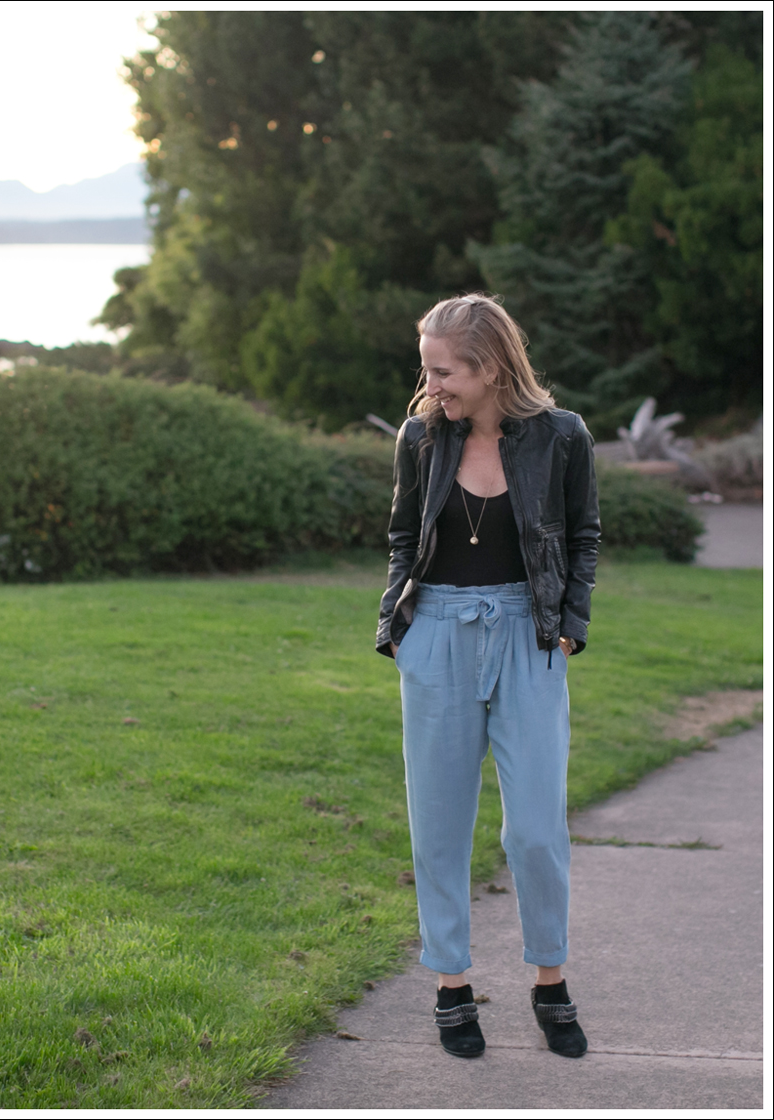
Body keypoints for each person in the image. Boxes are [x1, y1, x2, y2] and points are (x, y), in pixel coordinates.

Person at [376, 293, 600, 1059]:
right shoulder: (420, 437)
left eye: (444, 371)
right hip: (436, 632)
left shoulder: (562, 437)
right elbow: (403, 536)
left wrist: (570, 625)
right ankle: (452, 985)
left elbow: (583, 535)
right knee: (439, 826)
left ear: (491, 367)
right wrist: (397, 629)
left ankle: (550, 980)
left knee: (536, 829)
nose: (430, 384)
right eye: (427, 369)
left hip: (529, 636)